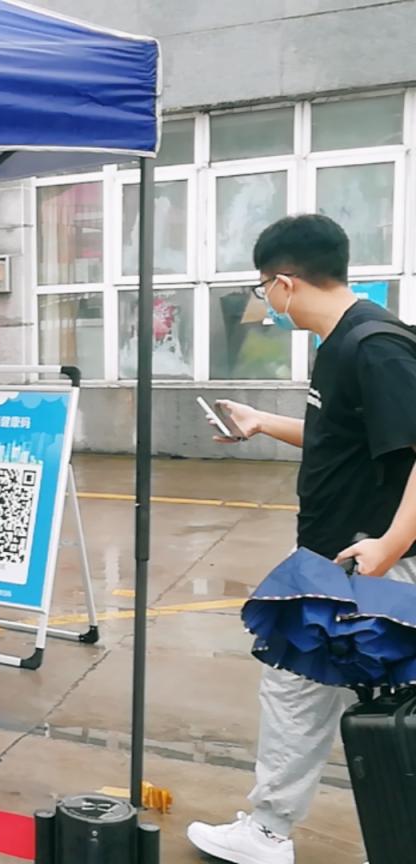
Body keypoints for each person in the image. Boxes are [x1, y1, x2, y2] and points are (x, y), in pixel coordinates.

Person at [187, 214, 416, 864]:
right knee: (306, 688)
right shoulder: (342, 341)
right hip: (338, 556)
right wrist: (263, 422)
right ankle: (270, 827)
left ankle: (268, 831)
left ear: (284, 283)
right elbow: (339, 438)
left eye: (263, 289)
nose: (267, 301)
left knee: (298, 685)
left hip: (363, 560)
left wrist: (391, 545)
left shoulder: (374, 347)